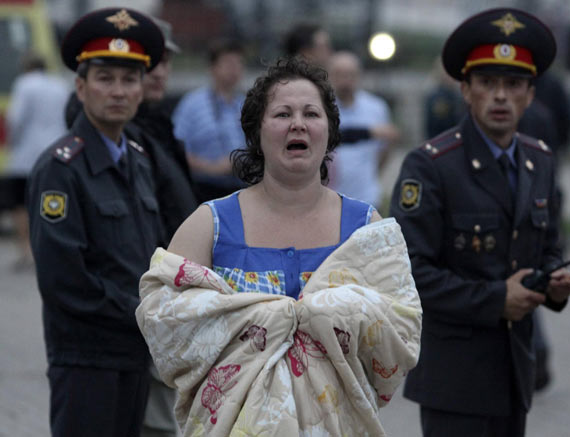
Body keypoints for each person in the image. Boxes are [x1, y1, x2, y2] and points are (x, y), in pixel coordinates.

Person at [135, 57, 422, 436]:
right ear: (256, 132)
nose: (298, 123)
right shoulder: (210, 223)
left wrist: (317, 316)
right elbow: (164, 322)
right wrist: (280, 321)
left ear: (329, 131)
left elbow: (401, 334)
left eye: (311, 114)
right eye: (282, 113)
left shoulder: (366, 230)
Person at [389, 8, 570, 437]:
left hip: (515, 371)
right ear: (465, 89)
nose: (500, 96)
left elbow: (548, 243)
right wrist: (497, 299)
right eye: (487, 83)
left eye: (513, 85)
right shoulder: (431, 165)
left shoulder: (540, 160)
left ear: (530, 95)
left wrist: (553, 282)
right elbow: (409, 274)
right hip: (454, 381)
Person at [27, 8, 165, 437]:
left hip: (134, 354)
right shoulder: (61, 168)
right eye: (105, 78)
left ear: (143, 89)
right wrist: (141, 312)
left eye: (129, 80)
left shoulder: (138, 161)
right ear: (80, 87)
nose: (119, 91)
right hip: (86, 358)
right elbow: (64, 279)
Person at [123, 17, 196, 437]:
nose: (161, 72)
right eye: (151, 62)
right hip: (147, 303)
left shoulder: (156, 123)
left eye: (166, 61)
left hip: (173, 296)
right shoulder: (123, 134)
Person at [4, 52, 70, 270]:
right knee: (52, 203)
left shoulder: (25, 84)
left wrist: (11, 143)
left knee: (20, 204)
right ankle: (51, 250)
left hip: (27, 154)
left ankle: (27, 252)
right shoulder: (59, 85)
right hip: (55, 151)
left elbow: (17, 118)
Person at [172, 38, 246, 204]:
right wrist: (211, 168)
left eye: (239, 63)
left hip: (242, 189)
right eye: (229, 63)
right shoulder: (192, 104)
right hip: (203, 189)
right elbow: (175, 149)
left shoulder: (247, 105)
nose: (235, 69)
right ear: (212, 68)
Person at [327, 50, 399, 208]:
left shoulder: (376, 107)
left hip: (367, 196)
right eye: (339, 74)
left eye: (350, 75)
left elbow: (385, 149)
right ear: (329, 76)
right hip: (331, 197)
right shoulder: (322, 108)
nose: (345, 81)